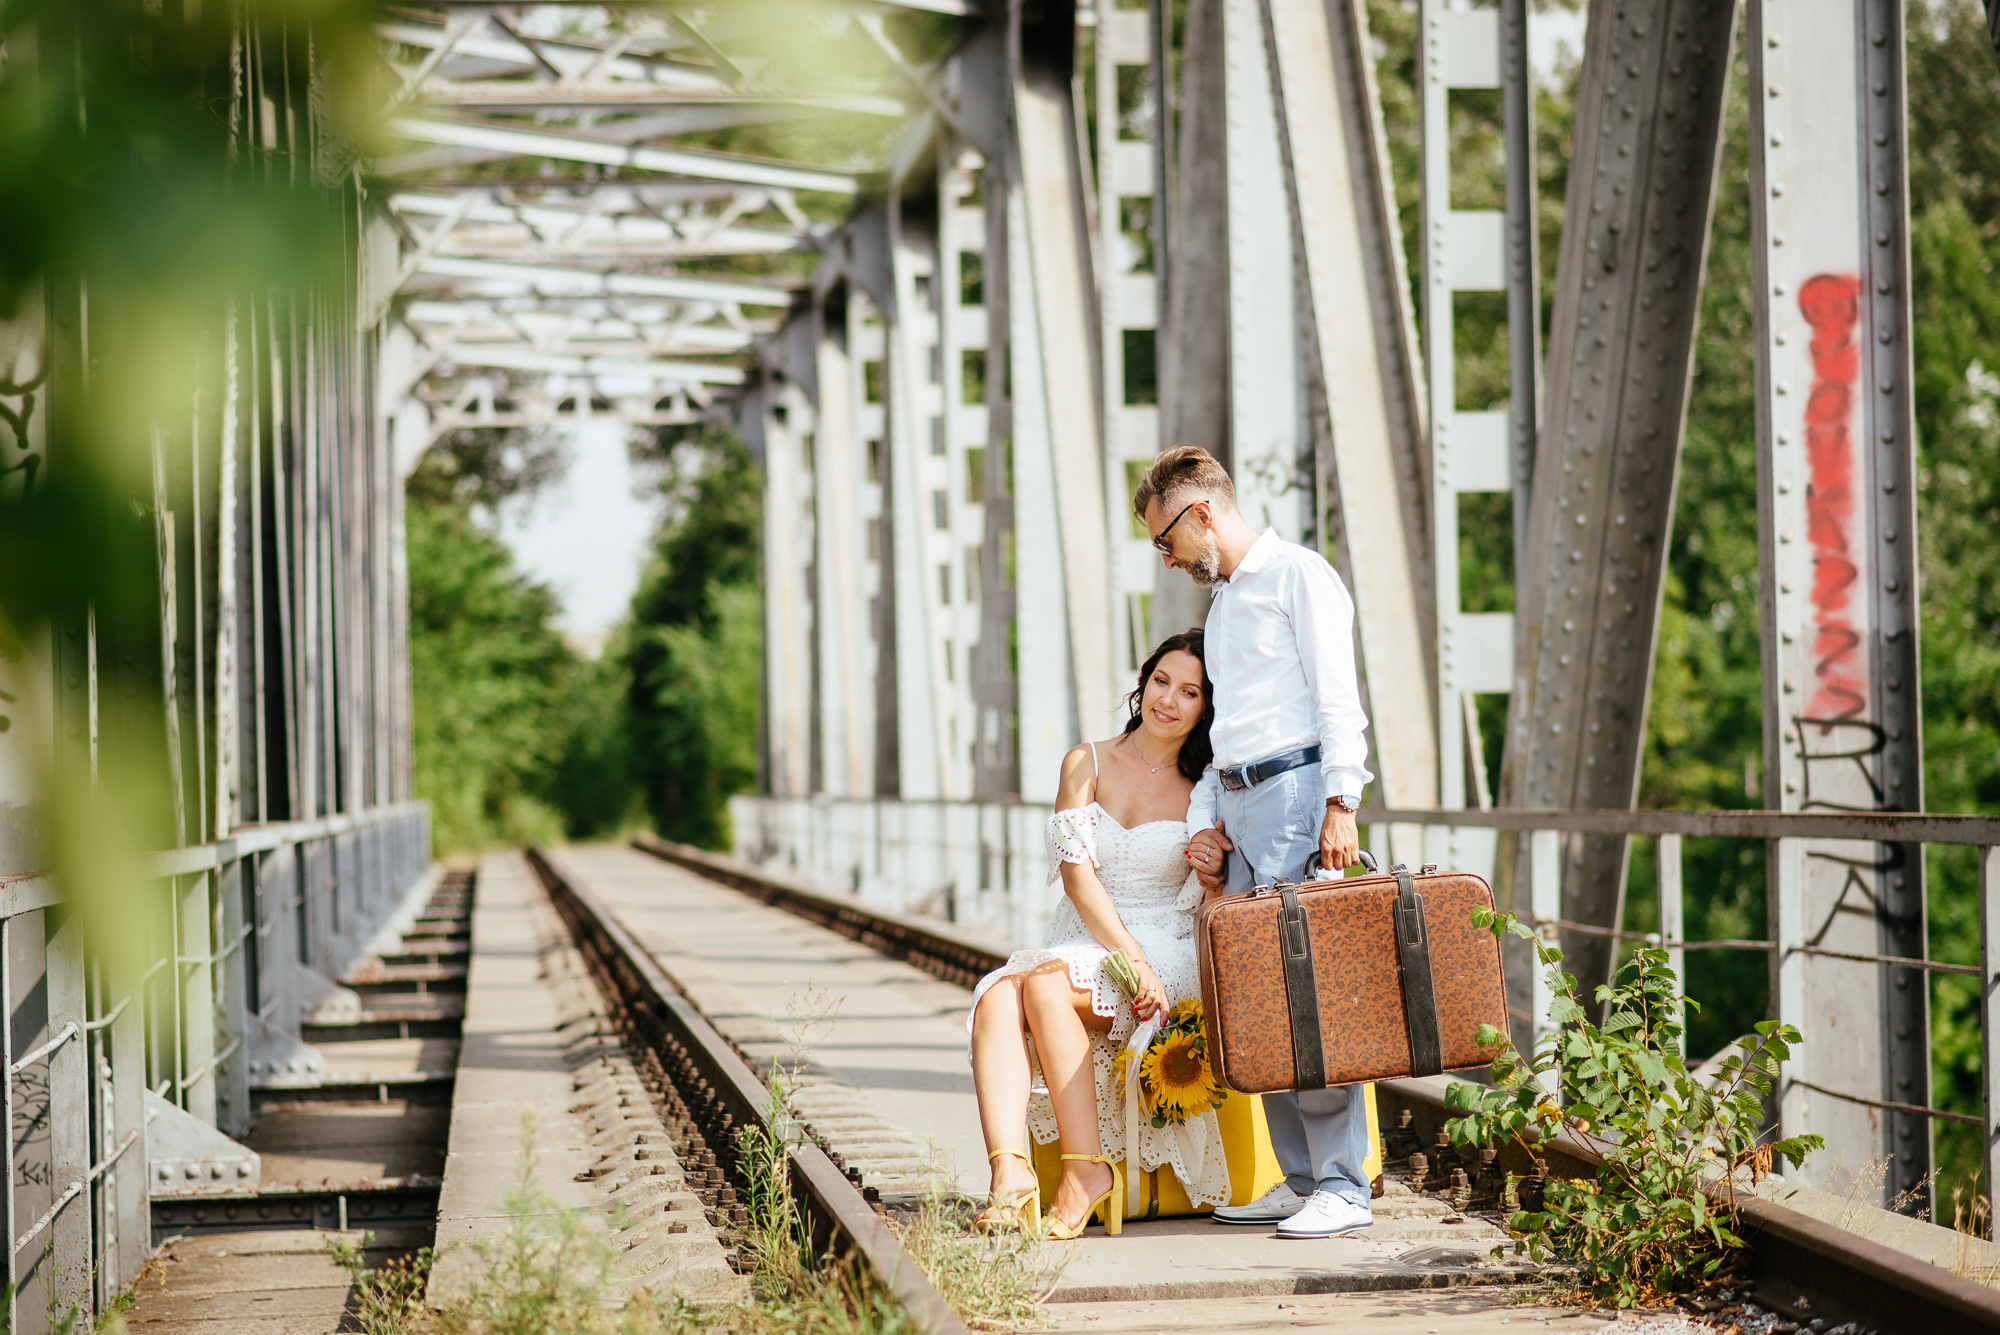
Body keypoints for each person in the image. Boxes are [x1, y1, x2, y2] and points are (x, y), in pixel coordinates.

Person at [1133, 444, 1377, 1241]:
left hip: (1298, 794)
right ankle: (1297, 1178)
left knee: (1303, 990)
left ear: (1201, 512)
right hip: (1240, 803)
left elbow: (1339, 698)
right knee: (1256, 998)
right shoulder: (1229, 604)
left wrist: (1342, 800)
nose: (1166, 559)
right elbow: (1226, 735)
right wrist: (1206, 815)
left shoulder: (1299, 576)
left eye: (1165, 540)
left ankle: (1343, 1182)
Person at [966, 630, 1232, 1238]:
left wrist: (1213, 869)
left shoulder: (1210, 785)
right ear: (1144, 682)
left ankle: (1086, 1172)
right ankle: (1010, 1174)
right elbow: (1076, 875)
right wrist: (1126, 959)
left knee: (1045, 986)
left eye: (1189, 692)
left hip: (1167, 942)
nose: (1168, 700)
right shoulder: (1085, 761)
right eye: (1161, 681)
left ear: (1205, 708)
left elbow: (1221, 893)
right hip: (1093, 934)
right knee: (997, 994)